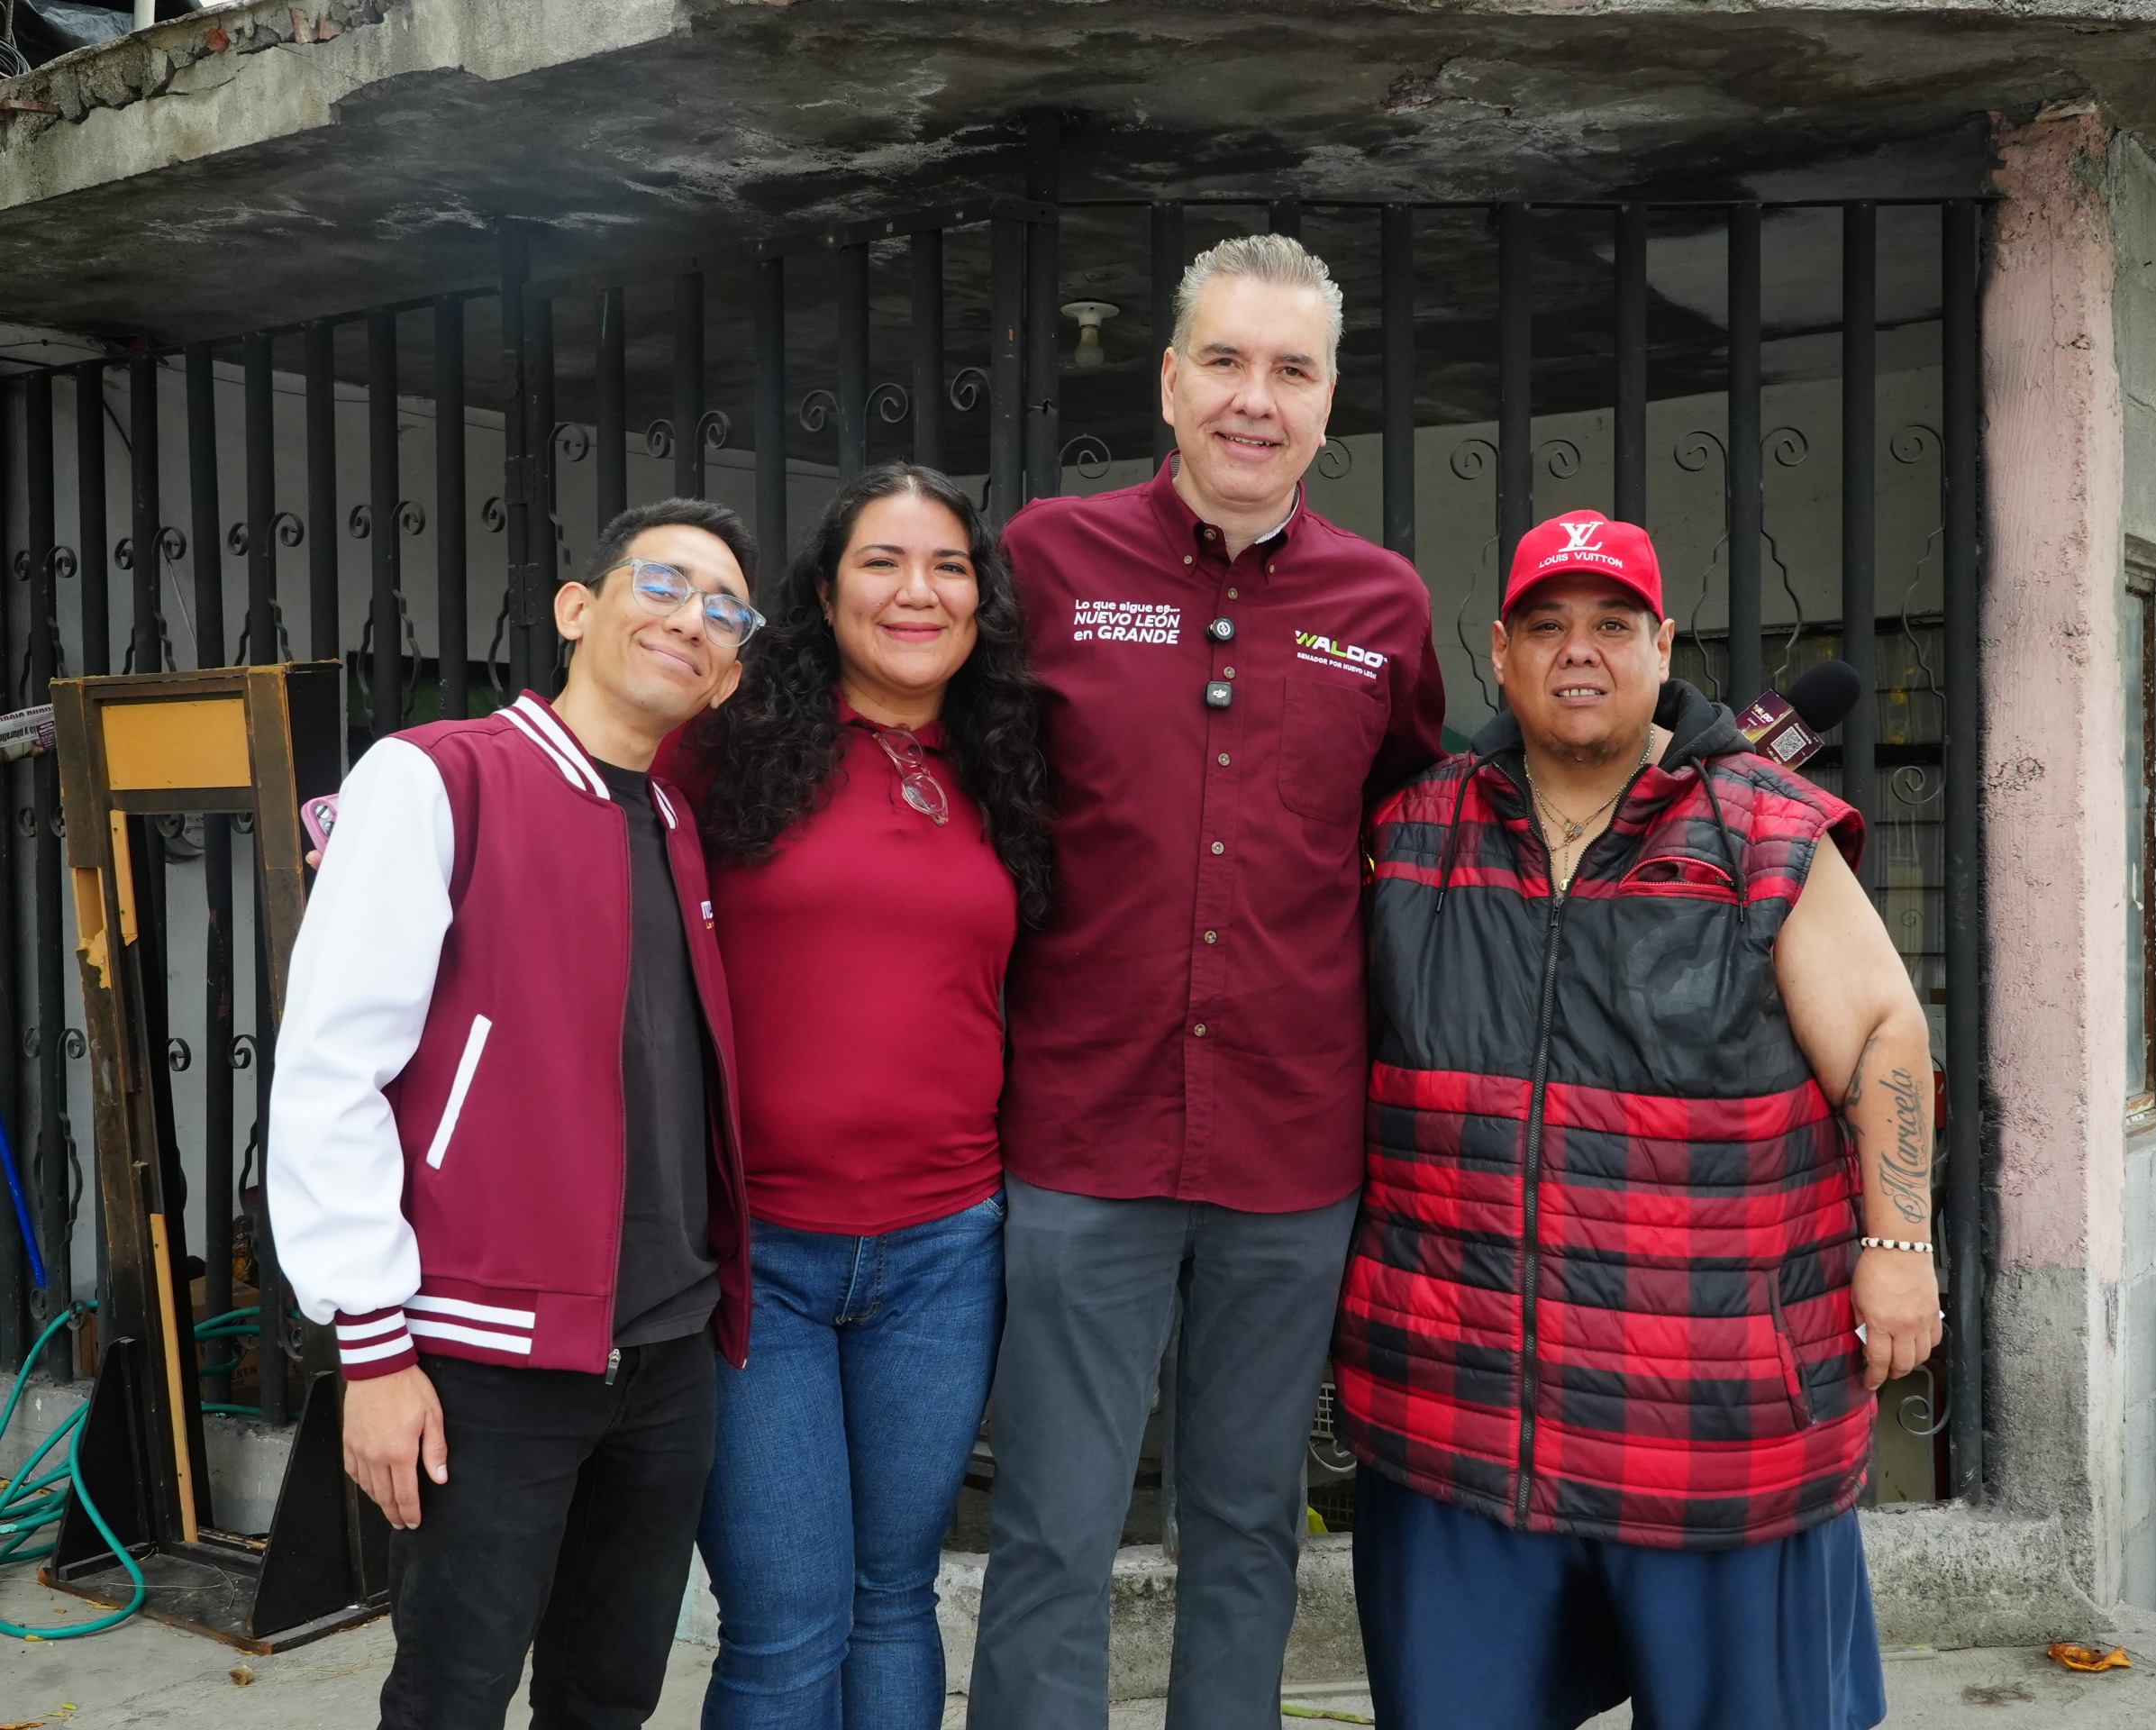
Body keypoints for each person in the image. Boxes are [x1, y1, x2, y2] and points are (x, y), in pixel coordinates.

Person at [1333, 508, 1942, 1729]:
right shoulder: (1410, 835)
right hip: (1457, 1414)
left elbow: (1885, 1034)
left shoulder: (1765, 831)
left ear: (1663, 647)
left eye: (1613, 626)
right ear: (1498, 652)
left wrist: (1900, 1246)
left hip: (1715, 1423)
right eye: (1546, 626)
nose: (1579, 652)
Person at [968, 234, 1447, 1730]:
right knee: (1053, 1523)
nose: (1257, 399)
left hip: (1293, 1145)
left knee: (1248, 1526)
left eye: (1291, 370)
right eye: (1226, 362)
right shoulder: (1045, 559)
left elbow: (1431, 832)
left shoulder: (1384, 608)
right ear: (1169, 382)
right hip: (1080, 1134)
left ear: (1327, 403)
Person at [268, 497, 761, 1729]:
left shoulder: (675, 822)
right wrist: (371, 1346)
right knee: (451, 1694)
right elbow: (332, 1071)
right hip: (485, 1357)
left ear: (731, 668)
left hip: (664, 1350)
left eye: (723, 608)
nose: (691, 618)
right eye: (662, 581)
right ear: (577, 608)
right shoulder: (441, 778)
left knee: (608, 1696)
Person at [664, 463, 1051, 1730]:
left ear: (980, 597)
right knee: (783, 1629)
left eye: (948, 565)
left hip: (944, 1253)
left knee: (894, 1599)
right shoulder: (724, 748)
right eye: (881, 561)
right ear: (824, 594)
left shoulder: (1003, 766)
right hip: (757, 1257)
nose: (916, 591)